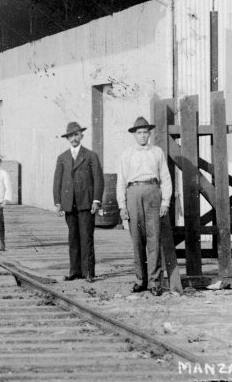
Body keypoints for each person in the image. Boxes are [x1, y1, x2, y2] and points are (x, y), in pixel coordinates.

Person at [116, 116, 172, 296]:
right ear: (134, 135)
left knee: (153, 238)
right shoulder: (126, 154)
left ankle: (155, 282)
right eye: (139, 133)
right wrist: (122, 206)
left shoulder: (157, 152)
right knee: (137, 239)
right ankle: (140, 280)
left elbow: (166, 178)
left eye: (145, 132)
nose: (142, 136)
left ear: (149, 134)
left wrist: (165, 201)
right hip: (133, 193)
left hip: (153, 193)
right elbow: (121, 182)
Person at [53, 122, 104, 283]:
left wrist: (96, 200)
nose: (74, 138)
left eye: (76, 135)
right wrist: (58, 202)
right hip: (69, 204)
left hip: (86, 203)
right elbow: (57, 181)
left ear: (81, 136)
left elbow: (98, 179)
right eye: (70, 136)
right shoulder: (62, 158)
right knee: (73, 237)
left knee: (86, 236)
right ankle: (74, 271)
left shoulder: (90, 155)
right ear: (67, 138)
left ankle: (88, 272)